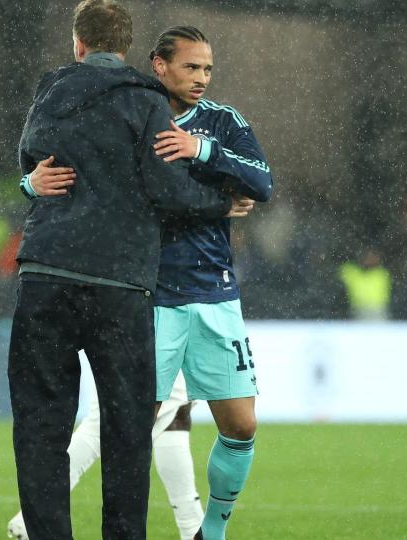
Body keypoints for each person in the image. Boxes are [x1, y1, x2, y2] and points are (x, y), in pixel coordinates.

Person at [7, 2, 234, 539]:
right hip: (119, 285)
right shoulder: (145, 101)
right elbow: (166, 188)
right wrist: (219, 202)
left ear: (77, 42)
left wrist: (30, 185)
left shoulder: (50, 90)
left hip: (47, 274)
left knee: (41, 423)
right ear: (127, 48)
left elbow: (31, 164)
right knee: (129, 427)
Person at [148, 26, 272, 540]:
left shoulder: (223, 122)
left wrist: (203, 151)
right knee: (132, 425)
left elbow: (261, 183)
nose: (201, 78)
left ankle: (211, 532)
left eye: (207, 69)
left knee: (241, 425)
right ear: (160, 65)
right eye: (191, 67)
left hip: (215, 291)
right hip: (150, 292)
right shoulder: (140, 116)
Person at [7, 372, 203, 540]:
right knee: (104, 424)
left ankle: (192, 528)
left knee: (176, 414)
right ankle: (35, 514)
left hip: (129, 337)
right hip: (147, 336)